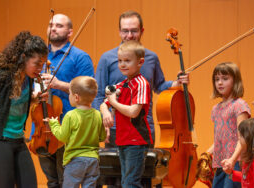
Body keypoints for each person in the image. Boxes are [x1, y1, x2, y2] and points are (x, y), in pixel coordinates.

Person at [93, 10, 189, 148]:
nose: (130, 35)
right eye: (125, 31)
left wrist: (177, 83)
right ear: (119, 31)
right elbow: (99, 95)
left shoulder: (151, 58)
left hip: (144, 129)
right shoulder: (107, 58)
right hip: (116, 129)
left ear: (142, 31)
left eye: (134, 31)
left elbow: (159, 85)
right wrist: (102, 122)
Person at [0, 31, 48, 188]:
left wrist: (34, 99)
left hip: (17, 139)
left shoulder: (29, 77)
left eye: (43, 63)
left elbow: (12, 102)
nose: (40, 68)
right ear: (23, 57)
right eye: (37, 63)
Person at [32, 13, 95, 188]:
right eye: (51, 24)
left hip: (68, 126)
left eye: (59, 25)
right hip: (41, 127)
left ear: (70, 32)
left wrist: (59, 84)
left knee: (67, 180)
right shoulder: (39, 57)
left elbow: (88, 91)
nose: (53, 28)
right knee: (51, 181)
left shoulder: (80, 57)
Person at [100, 40, 153, 187]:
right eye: (120, 61)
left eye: (127, 61)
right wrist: (106, 113)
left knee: (131, 183)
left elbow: (134, 112)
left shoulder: (141, 83)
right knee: (126, 182)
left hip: (136, 140)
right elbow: (103, 104)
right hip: (123, 140)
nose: (122, 64)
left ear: (140, 62)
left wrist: (114, 103)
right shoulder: (121, 84)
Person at [44, 76, 106, 187]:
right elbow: (102, 137)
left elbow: (62, 137)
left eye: (70, 94)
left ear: (76, 97)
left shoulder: (70, 116)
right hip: (93, 160)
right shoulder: (97, 114)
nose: (69, 96)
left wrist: (54, 124)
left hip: (75, 160)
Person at [205, 62, 251, 188]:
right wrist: (205, 155)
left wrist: (232, 160)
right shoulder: (216, 109)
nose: (220, 82)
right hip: (221, 163)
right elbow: (219, 139)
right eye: (217, 79)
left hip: (235, 163)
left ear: (235, 81)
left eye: (225, 79)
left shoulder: (239, 105)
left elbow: (243, 138)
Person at [222, 118, 254, 187]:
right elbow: (246, 177)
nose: (239, 139)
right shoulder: (247, 158)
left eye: (241, 136)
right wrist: (232, 173)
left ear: (249, 139)